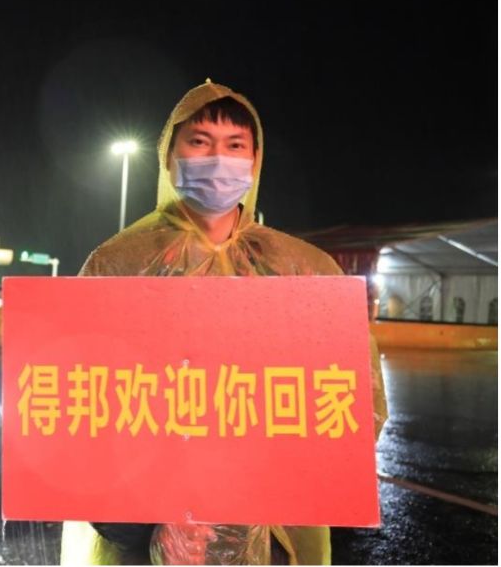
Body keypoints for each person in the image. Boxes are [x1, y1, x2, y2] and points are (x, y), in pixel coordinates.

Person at [59, 80, 388, 565]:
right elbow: (76, 399)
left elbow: (355, 399)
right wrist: (140, 511)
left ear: (255, 160)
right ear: (169, 156)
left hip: (276, 530)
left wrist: (285, 480)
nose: (218, 159)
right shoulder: (118, 263)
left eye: (235, 146)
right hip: (142, 533)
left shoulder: (303, 269)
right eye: (200, 142)